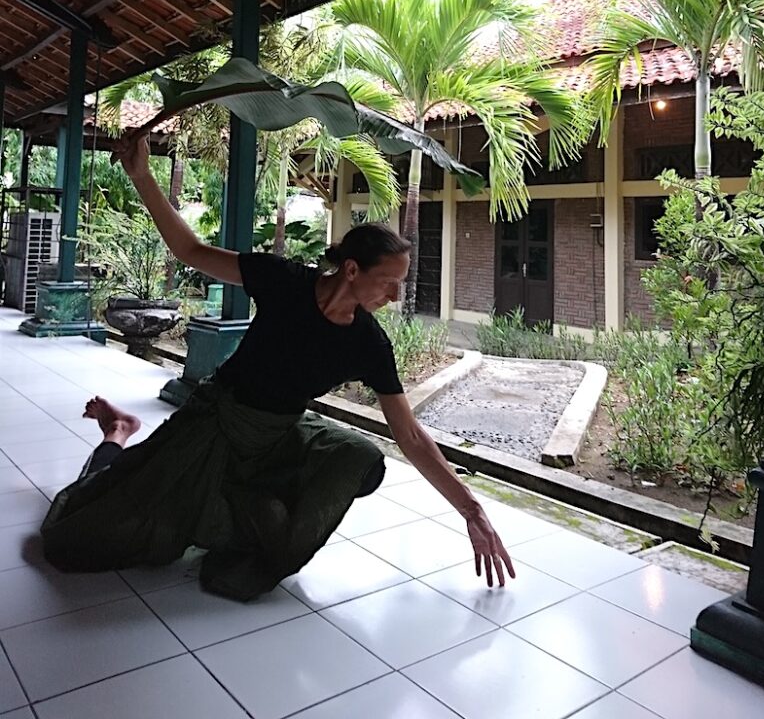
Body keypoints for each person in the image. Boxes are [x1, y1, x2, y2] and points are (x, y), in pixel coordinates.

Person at [41, 136, 515, 601]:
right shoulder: (283, 281)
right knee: (88, 534)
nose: (394, 296)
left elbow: (408, 435)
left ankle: (232, 514)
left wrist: (471, 510)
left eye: (400, 286)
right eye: (388, 283)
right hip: (214, 423)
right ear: (352, 270)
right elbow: (191, 252)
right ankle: (118, 432)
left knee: (357, 459)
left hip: (275, 441)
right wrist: (142, 175)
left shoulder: (368, 344)